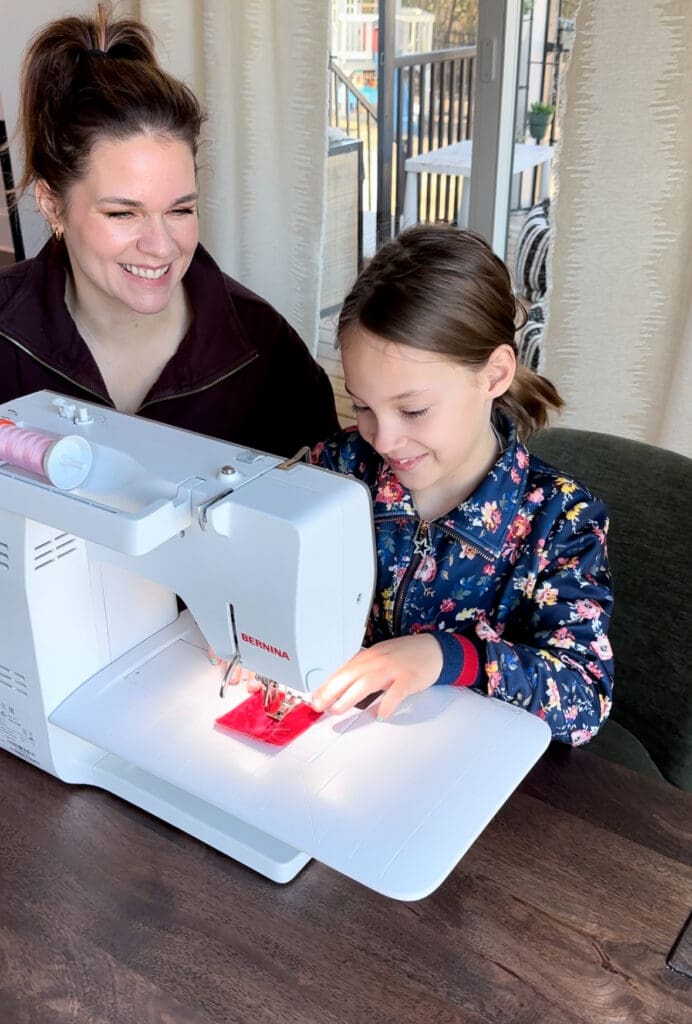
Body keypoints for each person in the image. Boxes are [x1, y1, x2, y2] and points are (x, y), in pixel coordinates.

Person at [307, 225, 614, 746]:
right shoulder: (339, 466)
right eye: (361, 405)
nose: (382, 438)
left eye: (413, 409)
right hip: (352, 745)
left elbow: (583, 698)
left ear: (494, 375)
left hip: (474, 773)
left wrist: (449, 655)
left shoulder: (561, 521)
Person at [0, 4, 338, 455]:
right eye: (123, 214)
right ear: (52, 205)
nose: (160, 247)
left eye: (180, 210)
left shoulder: (268, 352)